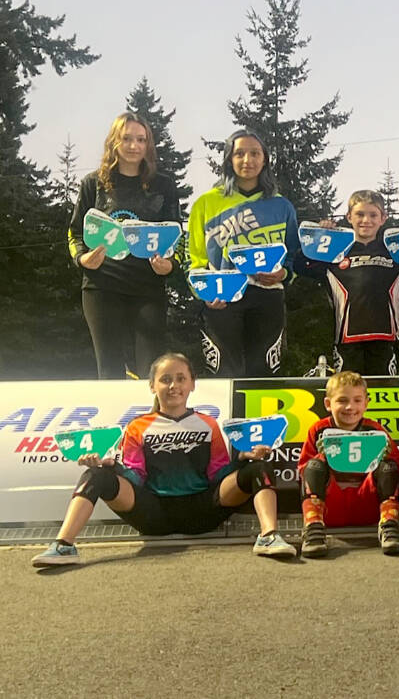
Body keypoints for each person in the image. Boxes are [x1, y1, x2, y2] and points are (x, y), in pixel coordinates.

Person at [31, 352, 294, 567]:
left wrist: (241, 458)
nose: (173, 386)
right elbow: (136, 477)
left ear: (192, 384)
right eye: (165, 379)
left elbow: (217, 475)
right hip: (153, 513)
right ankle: (64, 546)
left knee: (258, 466)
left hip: (204, 512)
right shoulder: (137, 426)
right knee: (96, 475)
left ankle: (269, 537)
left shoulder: (208, 424)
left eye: (181, 378)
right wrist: (113, 467)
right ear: (152, 386)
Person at [67, 112, 180, 379]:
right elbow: (74, 233)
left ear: (148, 145)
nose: (134, 146)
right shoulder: (92, 183)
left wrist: (170, 265)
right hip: (102, 286)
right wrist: (82, 259)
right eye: (126, 138)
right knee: (109, 370)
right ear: (113, 142)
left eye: (141, 139)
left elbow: (177, 237)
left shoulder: (163, 185)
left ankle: (150, 422)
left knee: (154, 371)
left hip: (147, 286)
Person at [188, 130, 300, 377]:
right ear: (229, 159)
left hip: (267, 297)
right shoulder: (206, 203)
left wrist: (283, 273)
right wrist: (205, 293)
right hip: (223, 299)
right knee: (224, 374)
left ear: (265, 159)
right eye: (239, 153)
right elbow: (194, 259)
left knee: (266, 374)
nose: (247, 160)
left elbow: (294, 256)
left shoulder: (282, 206)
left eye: (255, 153)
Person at [295, 189, 399, 375]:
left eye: (373, 215)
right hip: (346, 340)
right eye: (360, 214)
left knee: (382, 395)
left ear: (383, 218)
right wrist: (319, 235)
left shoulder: (395, 250)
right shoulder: (335, 250)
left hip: (384, 338)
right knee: (347, 394)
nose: (366, 220)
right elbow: (300, 265)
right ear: (349, 217)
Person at [297, 370, 399, 557]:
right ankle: (313, 531)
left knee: (388, 465)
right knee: (314, 466)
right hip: (329, 506)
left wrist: (385, 455)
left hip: (369, 504)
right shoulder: (318, 429)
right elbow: (303, 470)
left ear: (366, 403)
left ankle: (390, 526)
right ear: (328, 404)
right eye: (342, 400)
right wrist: (323, 457)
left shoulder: (375, 430)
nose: (350, 407)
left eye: (357, 400)